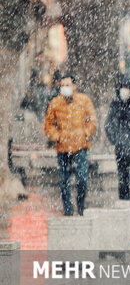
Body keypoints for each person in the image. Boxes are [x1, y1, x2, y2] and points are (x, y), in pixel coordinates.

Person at [44, 75, 97, 216]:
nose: (65, 88)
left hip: (81, 146)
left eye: (67, 85)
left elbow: (92, 120)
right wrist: (57, 137)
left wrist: (85, 133)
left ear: (74, 86)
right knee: (64, 181)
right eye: (62, 85)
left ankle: (80, 206)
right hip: (62, 147)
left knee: (82, 179)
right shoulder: (55, 103)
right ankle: (68, 210)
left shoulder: (84, 100)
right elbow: (48, 124)